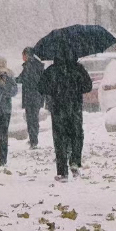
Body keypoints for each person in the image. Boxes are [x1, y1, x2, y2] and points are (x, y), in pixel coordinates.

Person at [38, 45, 92, 182]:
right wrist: (76, 87)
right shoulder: (78, 69)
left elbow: (41, 87)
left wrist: (55, 90)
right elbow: (88, 86)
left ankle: (62, 171)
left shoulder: (51, 70)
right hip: (75, 108)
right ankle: (74, 160)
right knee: (77, 134)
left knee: (60, 139)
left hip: (58, 109)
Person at [16, 47, 45, 149]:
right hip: (38, 95)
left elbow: (22, 79)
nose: (22, 57)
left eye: (23, 55)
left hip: (30, 96)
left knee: (31, 119)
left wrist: (12, 80)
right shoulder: (38, 65)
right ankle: (34, 139)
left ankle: (33, 140)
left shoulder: (29, 66)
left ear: (26, 55)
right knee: (34, 118)